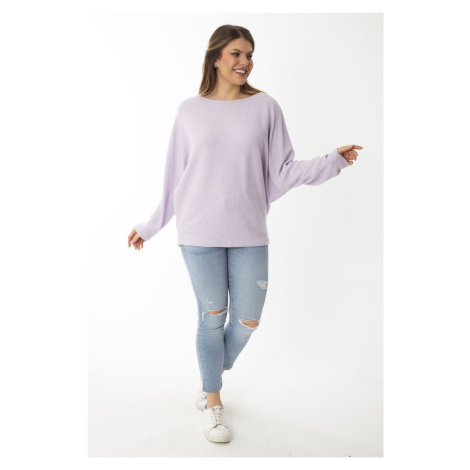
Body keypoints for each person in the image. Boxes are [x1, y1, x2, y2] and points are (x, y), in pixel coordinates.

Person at [128, 24, 361, 444]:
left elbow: (283, 170)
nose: (245, 62)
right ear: (216, 57)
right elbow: (174, 177)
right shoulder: (189, 111)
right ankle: (213, 402)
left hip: (249, 228)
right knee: (211, 317)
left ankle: (211, 373)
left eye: (249, 54)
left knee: (248, 319)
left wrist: (333, 160)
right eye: (236, 53)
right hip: (198, 230)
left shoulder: (265, 107)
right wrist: (150, 225)